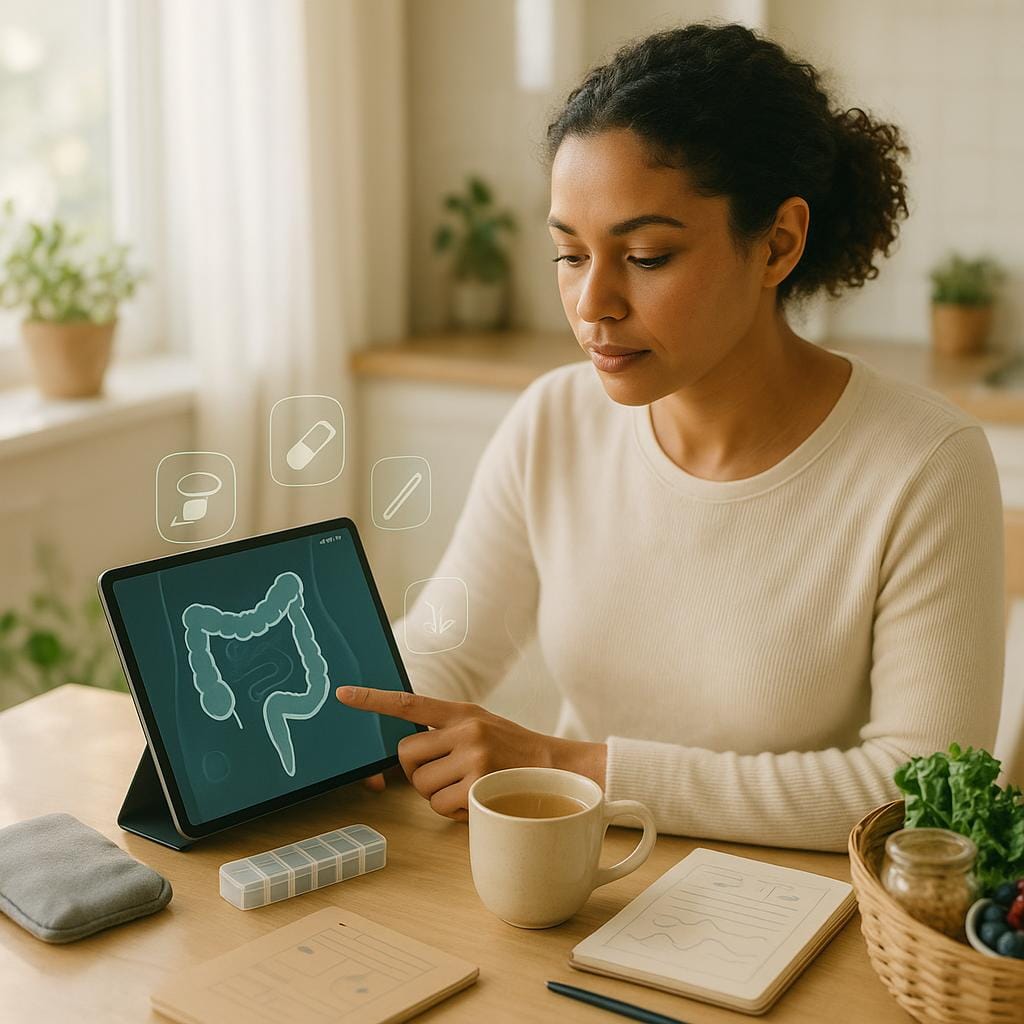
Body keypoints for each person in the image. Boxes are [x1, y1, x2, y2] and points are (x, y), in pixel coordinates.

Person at [336, 21, 1005, 852]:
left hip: (808, 922)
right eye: (570, 254)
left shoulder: (924, 464)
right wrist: (314, 721)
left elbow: (924, 789)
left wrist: (575, 767)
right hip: (588, 881)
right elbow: (445, 651)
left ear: (778, 244)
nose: (592, 305)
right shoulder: (554, 421)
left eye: (646, 256)